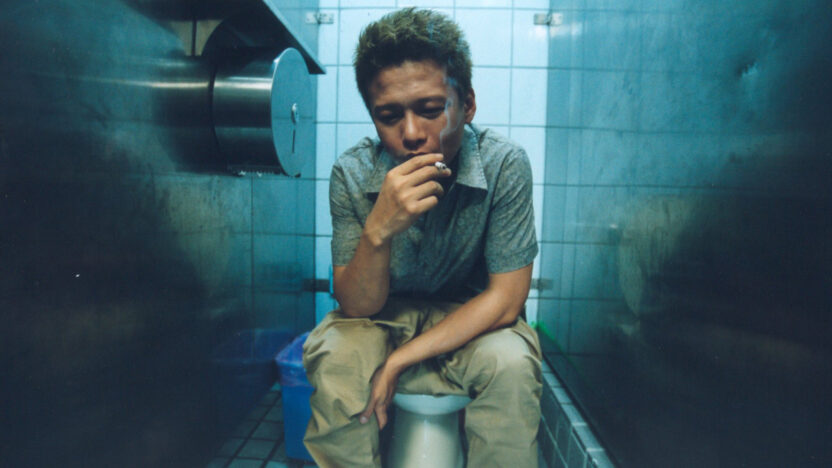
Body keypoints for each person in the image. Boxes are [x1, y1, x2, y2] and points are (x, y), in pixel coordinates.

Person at [302, 8, 542, 467]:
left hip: (472, 321)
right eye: (389, 116)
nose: (411, 134)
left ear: (467, 105)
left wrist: (400, 361)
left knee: (512, 363)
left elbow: (506, 300)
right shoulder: (351, 172)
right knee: (336, 354)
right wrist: (378, 231)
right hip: (381, 320)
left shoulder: (504, 164)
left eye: (431, 110)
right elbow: (355, 306)